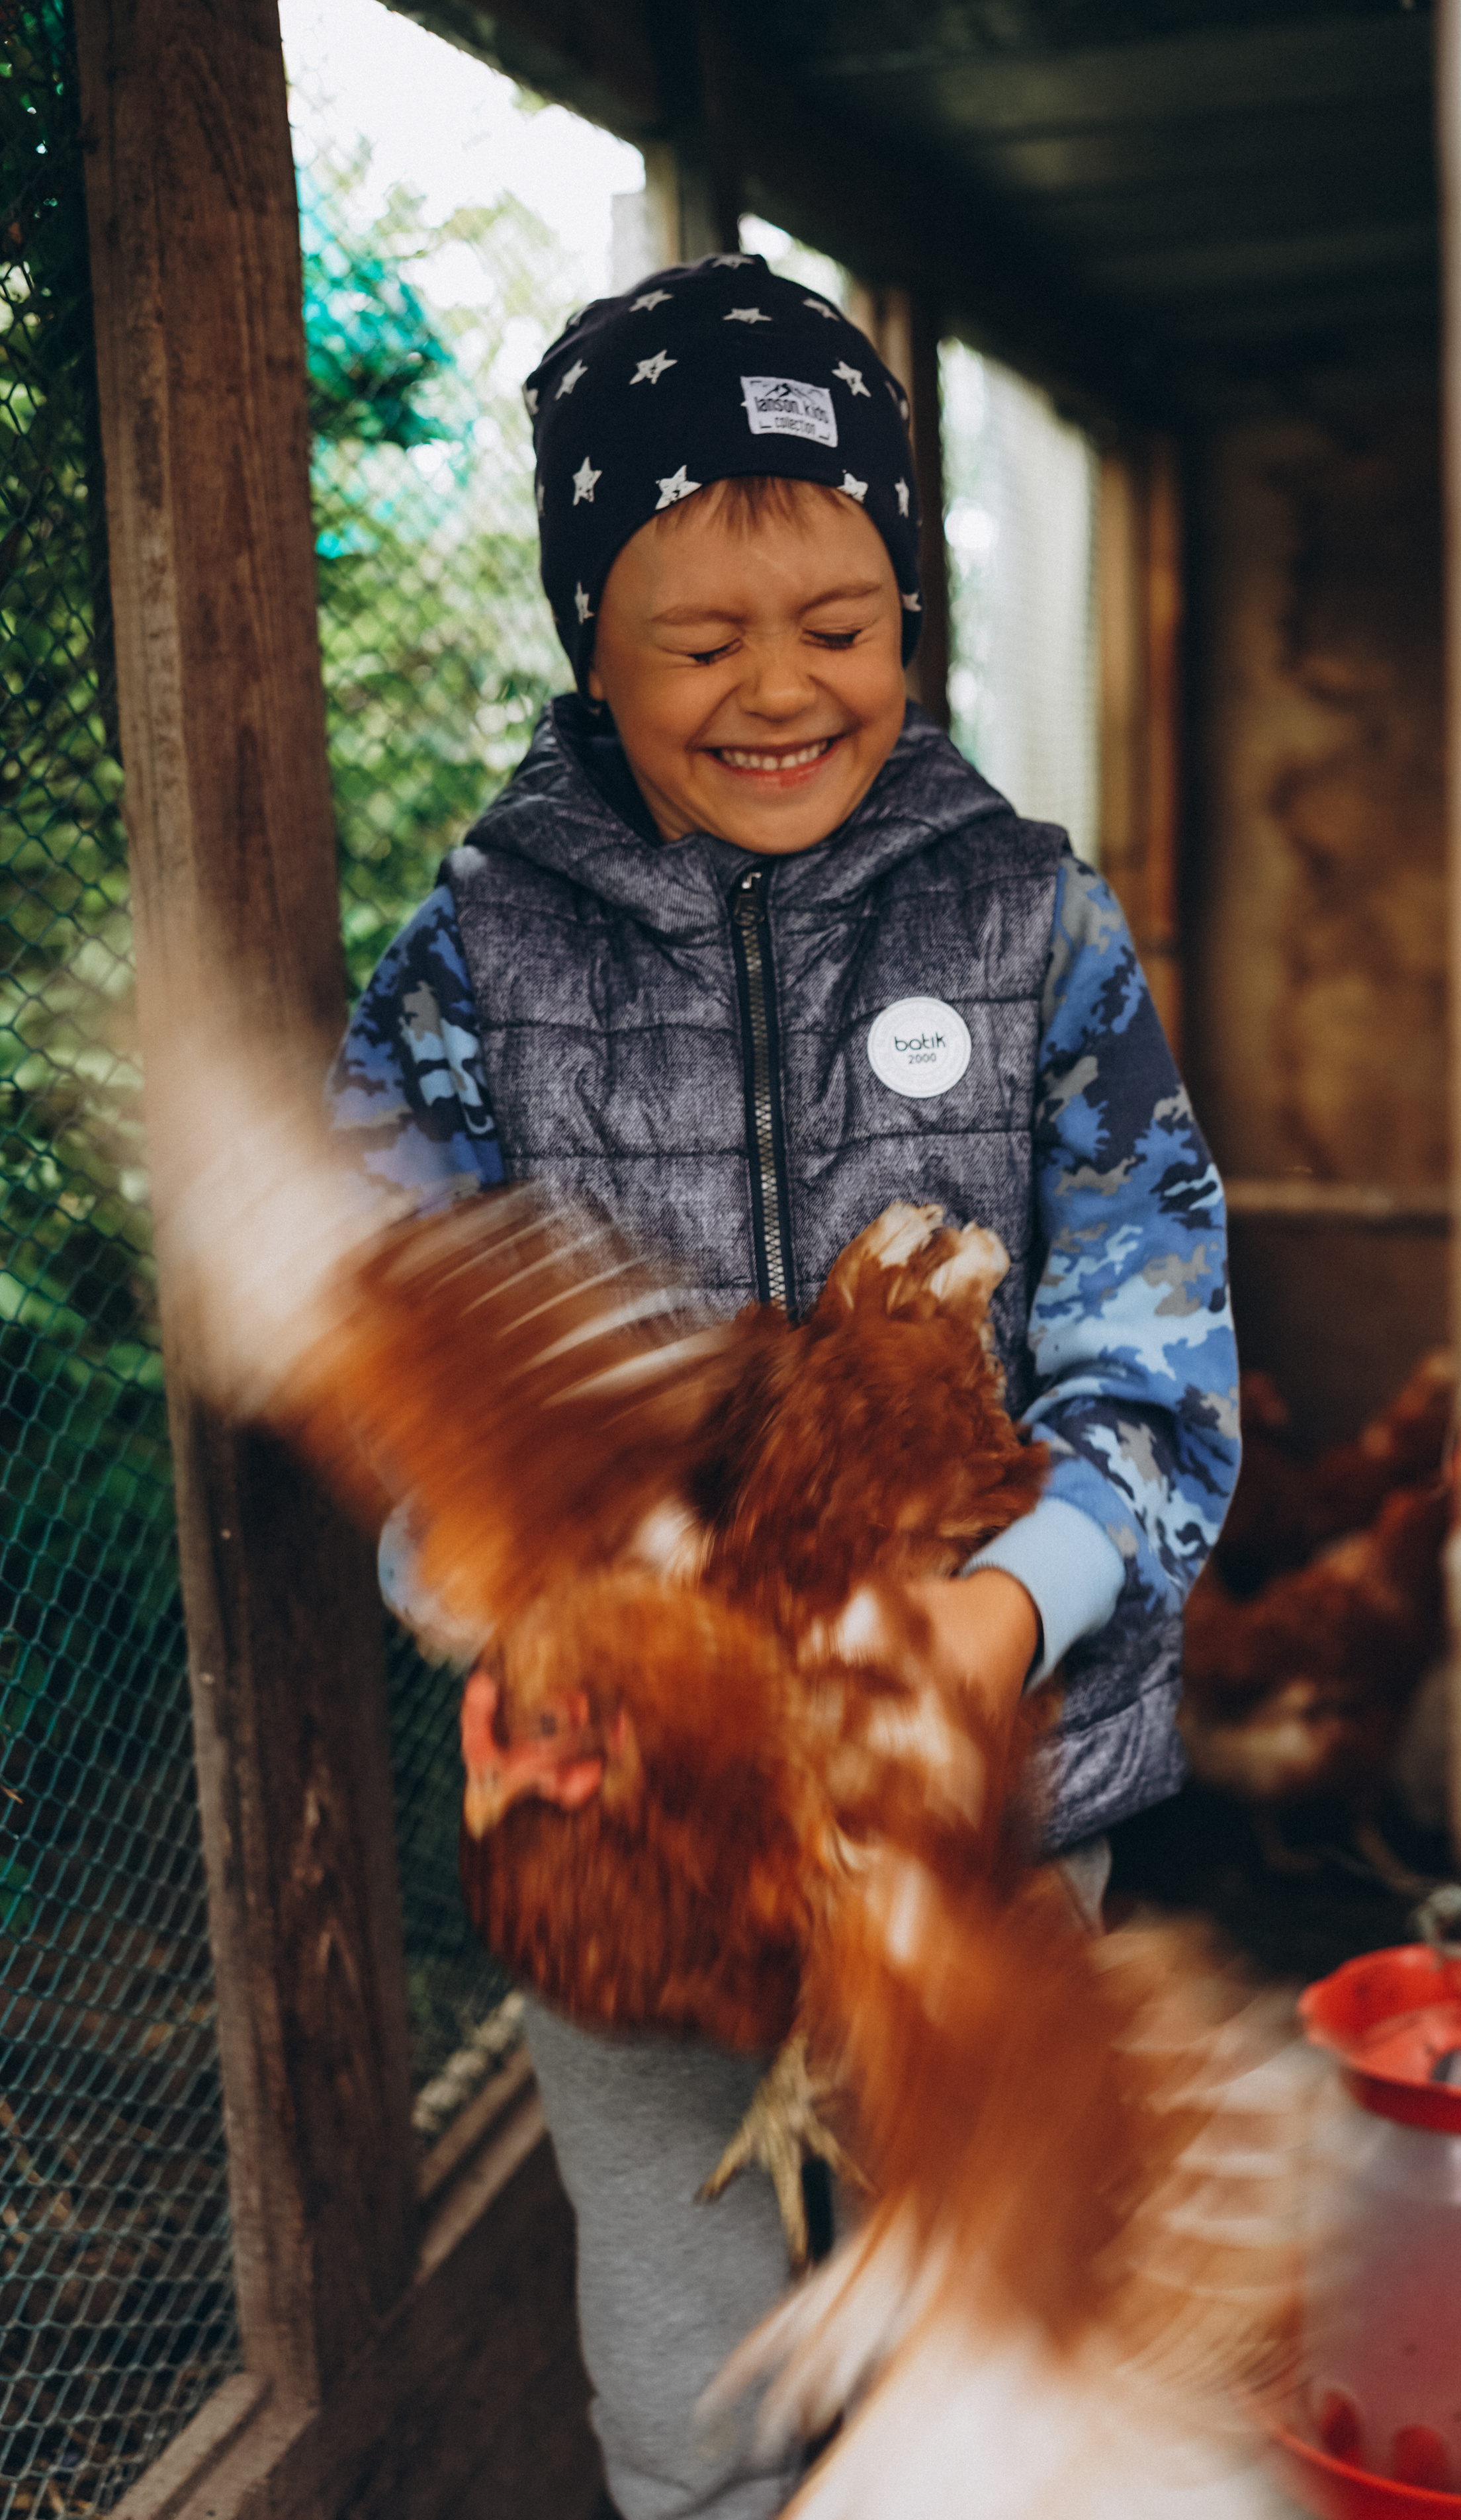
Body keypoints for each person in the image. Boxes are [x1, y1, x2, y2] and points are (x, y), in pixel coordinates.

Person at [331, 253, 1240, 2520]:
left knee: (1003, 2312)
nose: (781, 688)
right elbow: (381, 1291)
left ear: (910, 614)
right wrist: (484, 1583)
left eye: (840, 622)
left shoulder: (1031, 924)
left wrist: (1011, 1608)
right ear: (588, 640)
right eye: (700, 638)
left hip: (976, 1775)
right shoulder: (477, 952)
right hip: (636, 1809)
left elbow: (1161, 1329)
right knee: (692, 2354)